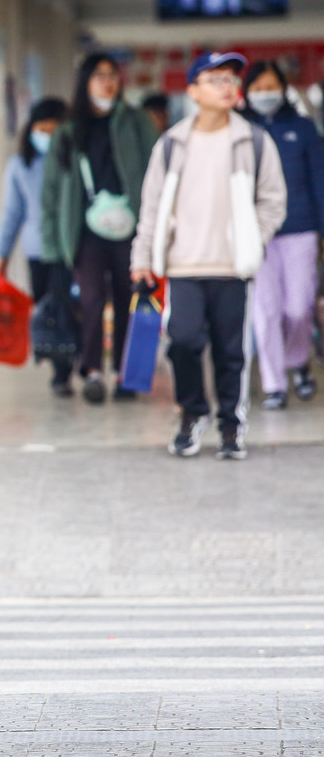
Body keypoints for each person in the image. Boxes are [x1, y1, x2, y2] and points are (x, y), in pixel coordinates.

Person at [131, 51, 287, 459]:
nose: (226, 87)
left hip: (232, 267)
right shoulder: (172, 145)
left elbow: (273, 201)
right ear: (193, 91)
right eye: (215, 79)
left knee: (230, 352)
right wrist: (141, 258)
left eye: (231, 79)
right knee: (182, 342)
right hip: (183, 265)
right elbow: (151, 207)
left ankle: (231, 426)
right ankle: (192, 413)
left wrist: (252, 239)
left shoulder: (253, 140)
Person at [43, 52, 161, 404]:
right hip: (85, 231)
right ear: (85, 82)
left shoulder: (136, 123)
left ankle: (126, 372)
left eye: (112, 75)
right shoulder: (68, 130)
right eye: (99, 76)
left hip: (131, 227)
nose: (107, 82)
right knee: (92, 298)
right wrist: (53, 247)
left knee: (129, 296)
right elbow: (51, 191)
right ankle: (92, 370)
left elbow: (156, 172)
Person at [240, 59, 324, 409]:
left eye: (271, 87)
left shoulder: (302, 128)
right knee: (266, 310)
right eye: (258, 88)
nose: (265, 94)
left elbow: (319, 180)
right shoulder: (239, 130)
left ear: (283, 88)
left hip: (300, 229)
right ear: (246, 92)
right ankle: (274, 384)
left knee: (299, 307)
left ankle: (297, 360)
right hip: (257, 233)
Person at [0, 97, 74, 396]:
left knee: (68, 306)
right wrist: (1, 257)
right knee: (45, 308)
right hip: (37, 250)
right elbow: (12, 213)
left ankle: (68, 366)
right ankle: (57, 364)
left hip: (69, 249)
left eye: (54, 130)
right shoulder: (20, 165)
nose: (47, 136)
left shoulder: (72, 161)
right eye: (42, 129)